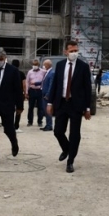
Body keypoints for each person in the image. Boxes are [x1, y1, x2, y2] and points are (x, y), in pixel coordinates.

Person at [46, 40, 92, 173]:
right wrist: (50, 102)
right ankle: (66, 148)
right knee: (58, 131)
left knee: (74, 134)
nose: (74, 53)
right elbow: (55, 84)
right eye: (71, 51)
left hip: (76, 104)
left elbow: (87, 88)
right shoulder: (60, 65)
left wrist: (87, 108)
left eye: (76, 51)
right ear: (65, 52)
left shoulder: (83, 67)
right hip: (61, 103)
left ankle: (70, 161)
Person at [26, 58, 46, 127]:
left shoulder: (43, 71)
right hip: (32, 90)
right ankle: (30, 121)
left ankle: (40, 121)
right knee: (31, 107)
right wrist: (26, 92)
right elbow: (27, 82)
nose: (34, 66)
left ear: (38, 65)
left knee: (40, 107)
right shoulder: (30, 72)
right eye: (33, 64)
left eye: (36, 64)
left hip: (40, 90)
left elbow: (44, 80)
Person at [11, 59, 26, 132]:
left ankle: (10, 125)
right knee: (18, 109)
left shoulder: (8, 72)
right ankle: (16, 126)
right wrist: (25, 93)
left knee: (10, 110)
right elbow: (24, 84)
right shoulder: (21, 73)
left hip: (10, 94)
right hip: (19, 94)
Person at [40, 59, 54, 131]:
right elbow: (44, 82)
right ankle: (47, 124)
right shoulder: (47, 72)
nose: (43, 66)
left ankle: (49, 125)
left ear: (48, 65)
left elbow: (51, 85)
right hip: (43, 94)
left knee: (48, 111)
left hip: (47, 95)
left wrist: (48, 94)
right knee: (45, 111)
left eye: (44, 64)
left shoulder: (52, 73)